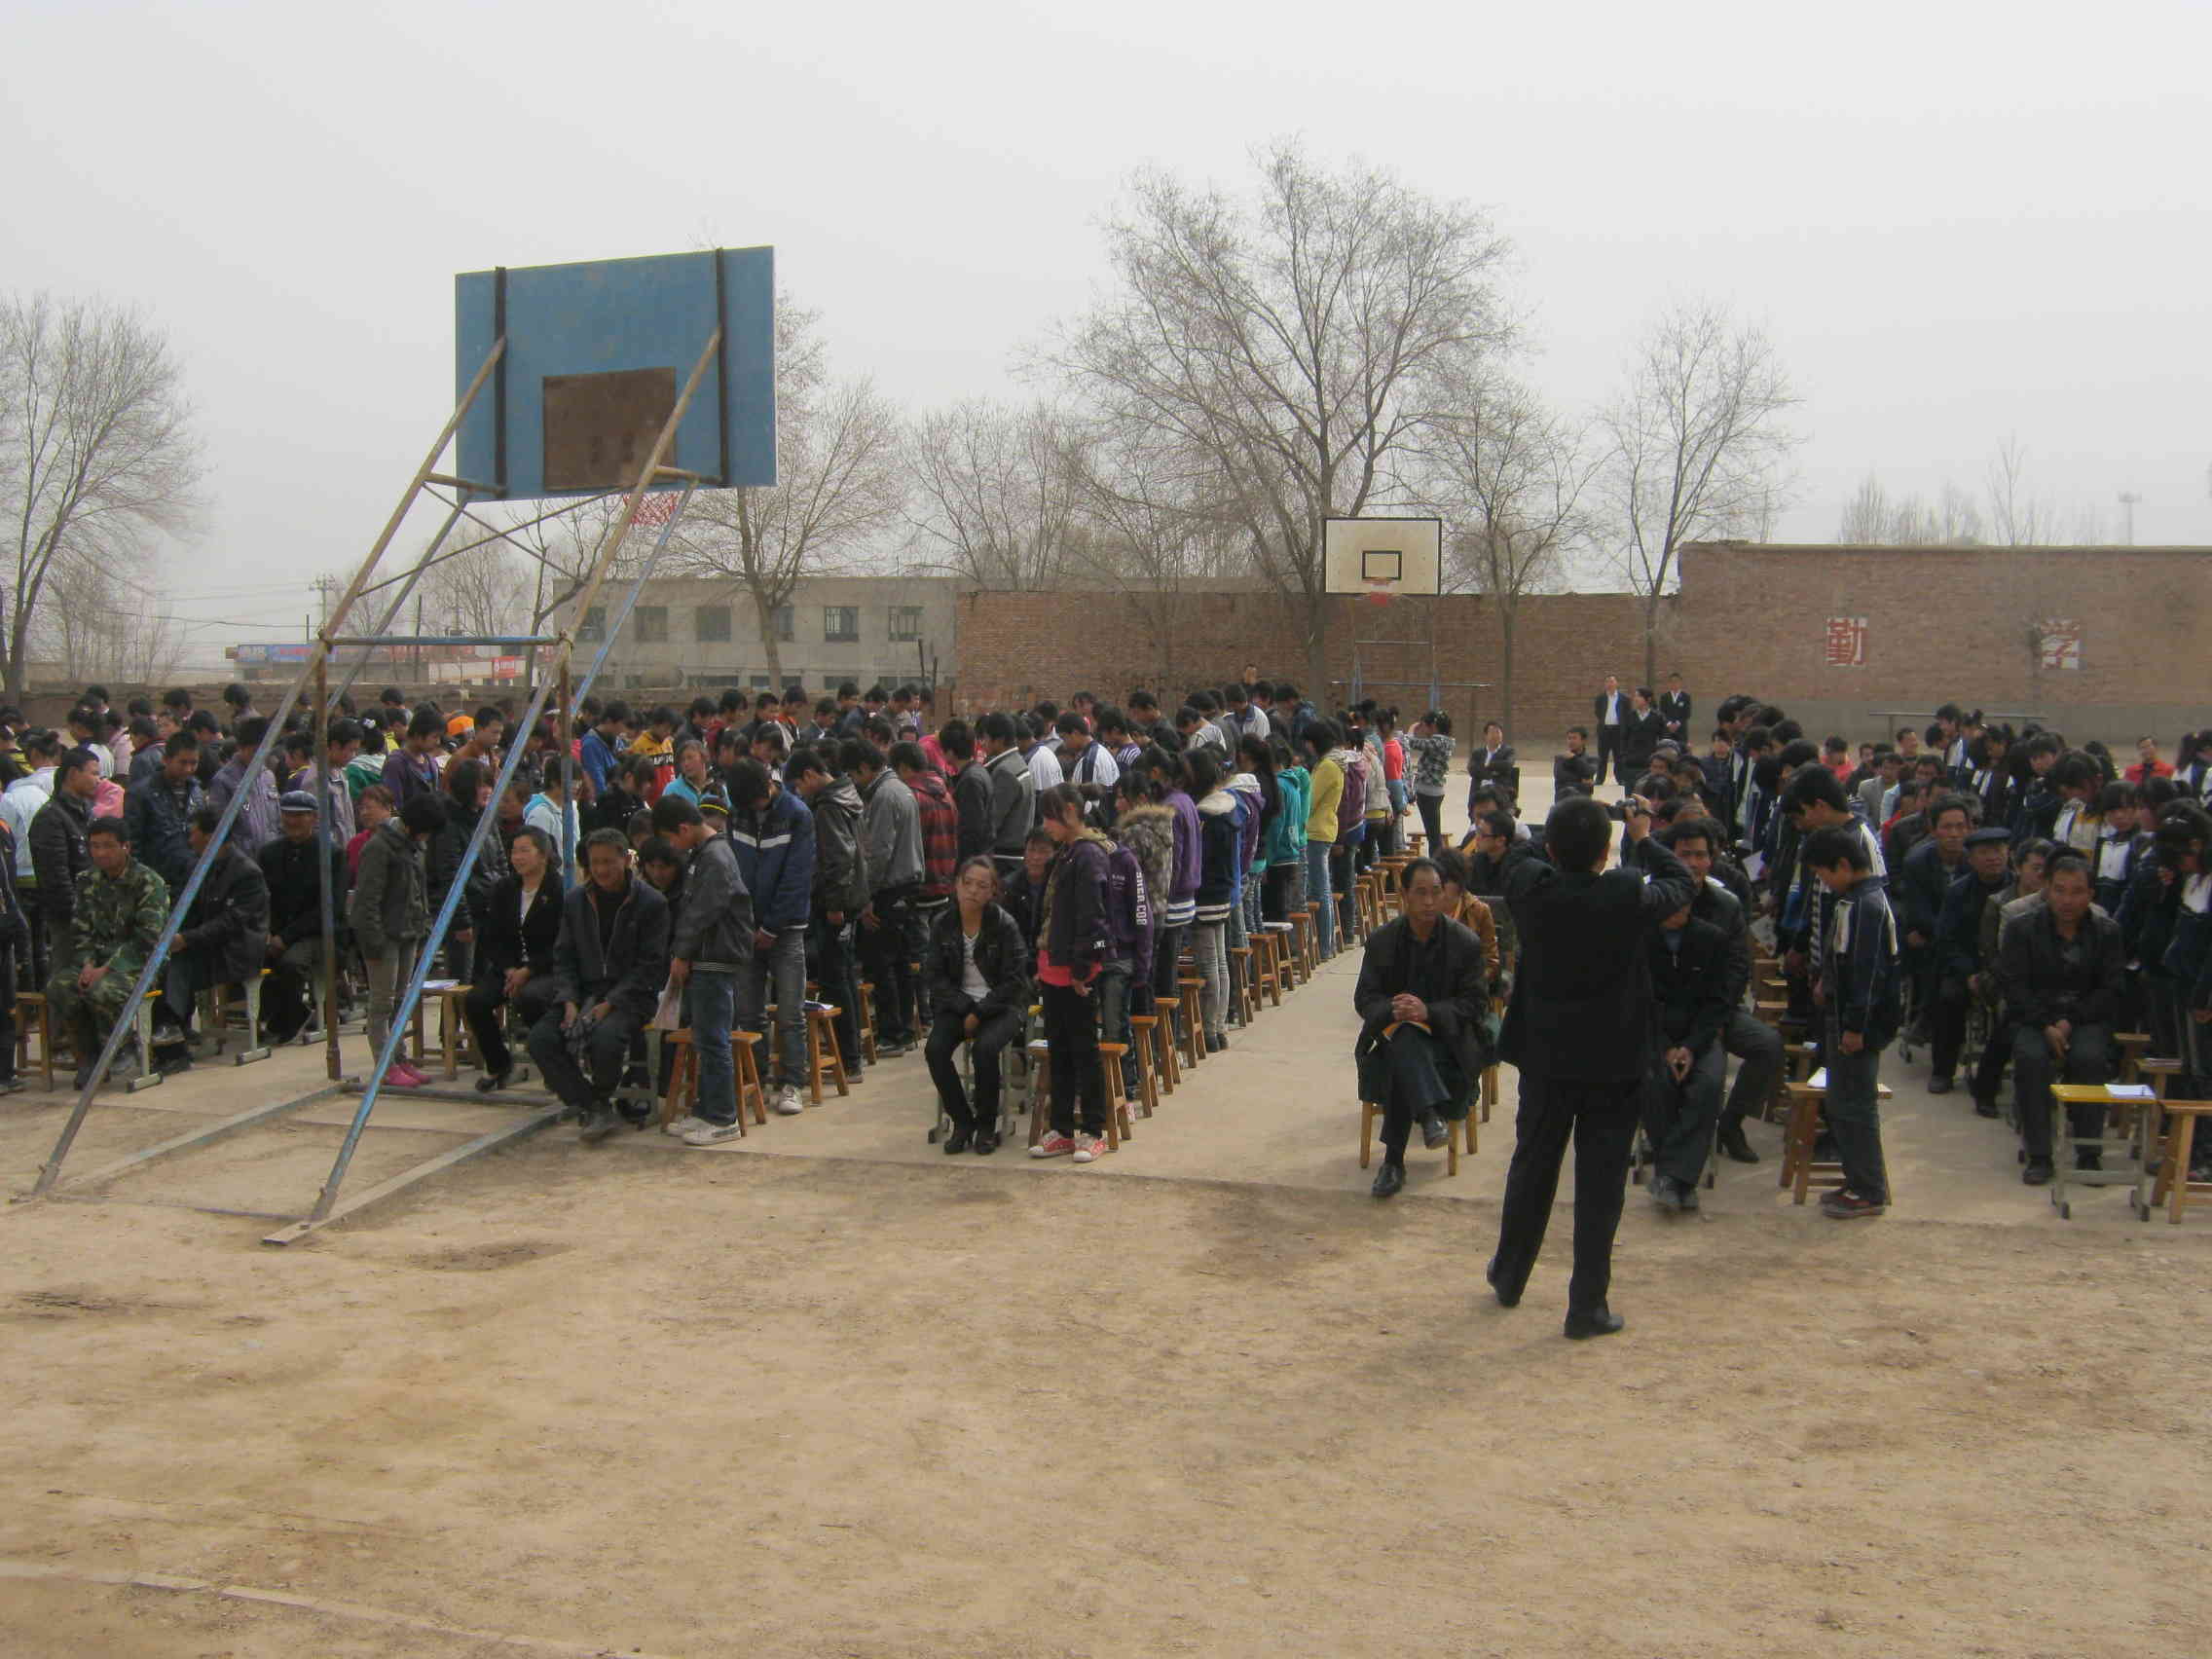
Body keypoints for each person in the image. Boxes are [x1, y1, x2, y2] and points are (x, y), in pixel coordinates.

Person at [1489, 793, 1693, 1339]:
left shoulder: (1531, 889)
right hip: (1614, 1062)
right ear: (1606, 852)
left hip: (1546, 1058)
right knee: (1601, 1187)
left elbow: (1516, 852)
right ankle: (1586, 1306)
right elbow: (1681, 883)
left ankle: (1509, 1276)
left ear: (1553, 850)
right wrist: (1643, 837)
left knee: (1533, 1169)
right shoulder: (1625, 893)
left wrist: (1550, 830)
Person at [1354, 858, 1491, 1197]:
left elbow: (1475, 1003)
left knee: (1405, 1050)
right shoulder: (1383, 940)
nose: (1429, 901)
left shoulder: (1464, 943)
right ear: (1404, 895)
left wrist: (1428, 1011)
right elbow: (1365, 998)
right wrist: (1394, 1009)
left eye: (1436, 892)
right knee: (1405, 1038)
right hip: (1395, 1035)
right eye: (1420, 893)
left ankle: (1393, 1163)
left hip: (1449, 1043)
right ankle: (1429, 1116)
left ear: (1445, 894)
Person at [528, 829, 672, 1143]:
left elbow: (651, 965)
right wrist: (568, 1000)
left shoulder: (651, 903)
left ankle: (600, 1097)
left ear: (626, 859)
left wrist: (611, 1003)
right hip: (584, 993)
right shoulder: (576, 900)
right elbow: (564, 956)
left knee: (605, 1038)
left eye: (609, 861)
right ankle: (593, 1104)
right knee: (540, 1040)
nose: (602, 869)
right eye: (595, 862)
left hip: (632, 996)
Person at [1997, 852, 2125, 1185]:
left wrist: (2071, 1021)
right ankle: (2039, 1155)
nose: (2067, 900)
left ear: (2090, 894)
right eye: (2060, 890)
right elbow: (2013, 985)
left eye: (2077, 891)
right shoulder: (2021, 928)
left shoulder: (2107, 931)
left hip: (2085, 1019)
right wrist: (2045, 1024)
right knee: (2031, 1058)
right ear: (2047, 890)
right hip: (2034, 1018)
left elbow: (2111, 989)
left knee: (2089, 1059)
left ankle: (2088, 1152)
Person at [1801, 825, 1902, 1220]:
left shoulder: (1867, 907)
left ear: (1843, 865)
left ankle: (1869, 1189)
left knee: (1855, 1107)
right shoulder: (1852, 901)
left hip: (1857, 1026)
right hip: (1842, 1016)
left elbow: (1867, 973)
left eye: (1823, 874)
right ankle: (1856, 1179)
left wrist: (1855, 1027)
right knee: (1841, 1103)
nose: (1823, 882)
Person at [652, 794, 753, 1146]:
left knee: (714, 1040)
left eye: (670, 839)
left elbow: (703, 912)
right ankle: (705, 1110)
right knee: (704, 1038)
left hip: (715, 956)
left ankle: (723, 1117)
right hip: (703, 957)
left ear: (683, 828)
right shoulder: (703, 854)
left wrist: (682, 952)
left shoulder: (716, 857)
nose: (671, 848)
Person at [46, 817, 170, 1092]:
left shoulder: (149, 882)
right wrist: (87, 964)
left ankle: (121, 1046)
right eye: (95, 846)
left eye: (108, 846)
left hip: (138, 965)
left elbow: (148, 939)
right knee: (61, 986)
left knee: (102, 990)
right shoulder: (87, 881)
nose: (100, 853)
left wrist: (108, 968)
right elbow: (81, 931)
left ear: (126, 847)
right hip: (97, 964)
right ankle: (91, 1056)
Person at [723, 756, 814, 1116]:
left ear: (768, 787)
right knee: (749, 1013)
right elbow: (732, 870)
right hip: (746, 929)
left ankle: (792, 1082)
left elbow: (797, 877)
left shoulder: (797, 815)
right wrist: (744, 923)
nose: (754, 809)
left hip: (787, 930)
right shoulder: (737, 814)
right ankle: (756, 1079)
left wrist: (771, 927)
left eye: (757, 801)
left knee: (791, 1013)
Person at [151, 804, 272, 1073]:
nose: (189, 838)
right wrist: (170, 934)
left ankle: (172, 1035)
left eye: (193, 832)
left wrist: (187, 939)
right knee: (163, 963)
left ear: (210, 836)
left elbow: (231, 923)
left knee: (179, 964)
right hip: (208, 945)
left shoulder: (247, 872)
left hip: (237, 950)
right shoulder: (200, 865)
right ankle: (172, 1031)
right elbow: (189, 908)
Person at [922, 857, 1029, 1156]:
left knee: (984, 1049)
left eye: (982, 886)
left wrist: (980, 1011)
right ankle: (962, 1122)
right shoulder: (942, 923)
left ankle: (985, 1126)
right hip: (958, 1004)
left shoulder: (1004, 924)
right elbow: (934, 976)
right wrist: (966, 1007)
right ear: (956, 885)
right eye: (967, 883)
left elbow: (1015, 980)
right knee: (935, 1050)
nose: (973, 891)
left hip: (1002, 1006)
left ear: (993, 890)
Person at [1030, 784, 1114, 1163]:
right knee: (1059, 1049)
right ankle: (1062, 1130)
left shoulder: (1089, 855)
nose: (1045, 825)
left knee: (1084, 1051)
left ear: (1069, 810)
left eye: (1049, 817)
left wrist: (1082, 968)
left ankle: (1093, 1130)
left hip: (1077, 971)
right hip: (1052, 966)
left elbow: (1093, 917)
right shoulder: (1066, 853)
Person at [1639, 896, 1732, 1212]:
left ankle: (1672, 1177)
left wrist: (1690, 1047)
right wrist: (1666, 1047)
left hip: (1700, 1038)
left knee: (1708, 1083)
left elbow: (1718, 1002)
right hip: (1656, 1038)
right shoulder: (1641, 940)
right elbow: (1640, 1002)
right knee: (1653, 1082)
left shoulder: (1712, 939)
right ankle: (1680, 1179)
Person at [350, 792, 443, 1089]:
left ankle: (399, 1057)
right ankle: (385, 1065)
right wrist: (374, 944)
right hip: (385, 938)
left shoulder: (415, 846)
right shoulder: (379, 848)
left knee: (401, 1002)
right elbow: (367, 901)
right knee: (382, 1004)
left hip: (408, 933)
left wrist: (422, 927)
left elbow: (419, 891)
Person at [789, 745, 870, 1084]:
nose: (799, 792)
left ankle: (848, 1061)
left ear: (809, 775)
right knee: (845, 977)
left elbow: (838, 858)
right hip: (853, 898)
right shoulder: (848, 794)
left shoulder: (827, 807)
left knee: (836, 981)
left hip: (837, 905)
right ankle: (852, 1057)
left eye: (799, 784)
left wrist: (834, 904)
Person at [463, 826, 563, 1091]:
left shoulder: (559, 889)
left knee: (531, 997)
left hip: (546, 968)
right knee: (475, 1000)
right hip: (509, 967)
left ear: (543, 855)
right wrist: (509, 969)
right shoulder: (504, 888)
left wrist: (528, 971)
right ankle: (499, 1063)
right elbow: (492, 937)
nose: (517, 857)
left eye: (524, 851)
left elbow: (561, 943)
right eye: (514, 851)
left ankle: (553, 1064)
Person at [849, 739, 923, 1056]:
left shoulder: (883, 796)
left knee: (884, 963)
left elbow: (878, 853)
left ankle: (893, 1033)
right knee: (902, 962)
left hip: (889, 888)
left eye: (854, 774)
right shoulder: (902, 790)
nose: (854, 781)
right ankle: (905, 1029)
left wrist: (866, 896)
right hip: (909, 884)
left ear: (865, 768)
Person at [1928, 826, 2013, 1097]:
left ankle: (1991, 1075)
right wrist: (1968, 974)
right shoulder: (1958, 892)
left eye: (1998, 850)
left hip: (2006, 970)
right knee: (1949, 998)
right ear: (1972, 859)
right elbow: (1946, 940)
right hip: (1966, 968)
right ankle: (1943, 1070)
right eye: (1985, 852)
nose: (1993, 858)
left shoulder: (2017, 889)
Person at [257, 791, 347, 1046]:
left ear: (314, 818)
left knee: (291, 963)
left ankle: (290, 1018)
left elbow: (329, 908)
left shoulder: (331, 854)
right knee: (248, 956)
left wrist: (286, 937)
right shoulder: (269, 853)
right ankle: (269, 1013)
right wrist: (267, 931)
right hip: (278, 931)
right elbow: (263, 898)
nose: (292, 821)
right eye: (287, 815)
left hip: (319, 933)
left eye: (299, 815)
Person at [30, 748, 101, 977]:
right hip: (69, 918)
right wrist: (78, 914)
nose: (98, 780)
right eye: (93, 773)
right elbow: (56, 876)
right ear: (72, 774)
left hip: (95, 912)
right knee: (67, 979)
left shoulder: (87, 812)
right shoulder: (50, 817)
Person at [1188, 750, 1239, 1053]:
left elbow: (1199, 860)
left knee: (1210, 965)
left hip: (1206, 895)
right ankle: (1218, 1027)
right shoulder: (1229, 809)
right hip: (1223, 892)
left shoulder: (1206, 815)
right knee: (1219, 963)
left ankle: (1210, 1029)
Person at [124, 729, 204, 896]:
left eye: (194, 763)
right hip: (156, 883)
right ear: (166, 760)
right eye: (183, 763)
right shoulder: (141, 793)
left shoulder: (197, 792)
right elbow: (133, 843)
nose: (188, 769)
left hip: (191, 880)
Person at [1301, 722, 1344, 958]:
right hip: (1321, 829)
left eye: (1308, 742)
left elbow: (1310, 800)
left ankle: (1325, 946)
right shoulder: (1325, 764)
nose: (1306, 747)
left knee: (1320, 890)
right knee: (1319, 888)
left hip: (1318, 831)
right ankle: (1324, 944)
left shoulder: (1328, 766)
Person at [979, 713, 1034, 879]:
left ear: (999, 740)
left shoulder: (1004, 771)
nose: (983, 743)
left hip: (1006, 857)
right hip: (1016, 853)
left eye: (985, 738)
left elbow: (993, 820)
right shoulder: (1017, 762)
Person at [1404, 712, 1454, 852]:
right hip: (1434, 791)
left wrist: (1411, 730)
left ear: (1433, 726)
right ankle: (1437, 858)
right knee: (1433, 833)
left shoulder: (1438, 741)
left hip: (1428, 792)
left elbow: (1411, 743)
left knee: (1433, 835)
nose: (1423, 730)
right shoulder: (1446, 741)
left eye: (1424, 726)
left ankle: (1437, 860)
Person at [1592, 676, 1626, 785]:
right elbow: (1598, 712)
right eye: (1607, 682)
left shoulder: (1624, 699)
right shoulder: (1600, 698)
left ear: (1616, 683)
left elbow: (1627, 713)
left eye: (1612, 681)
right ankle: (1600, 778)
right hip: (1605, 730)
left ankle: (1620, 778)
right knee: (1602, 756)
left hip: (1618, 730)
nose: (1610, 684)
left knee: (1619, 756)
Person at [1553, 727, 1597, 797]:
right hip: (1564, 800)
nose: (1571, 741)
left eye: (1574, 738)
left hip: (1584, 800)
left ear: (1584, 741)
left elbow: (1589, 771)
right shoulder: (1560, 758)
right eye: (1569, 738)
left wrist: (1574, 759)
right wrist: (1582, 782)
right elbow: (1562, 780)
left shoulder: (1592, 759)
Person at [1658, 674, 1692, 744]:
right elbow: (1662, 713)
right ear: (1669, 683)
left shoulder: (1686, 697)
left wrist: (1677, 724)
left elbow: (1687, 713)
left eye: (1676, 681)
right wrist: (1669, 724)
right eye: (1672, 681)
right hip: (1667, 730)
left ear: (1680, 683)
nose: (1674, 684)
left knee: (1681, 748)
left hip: (1681, 730)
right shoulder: (1664, 697)